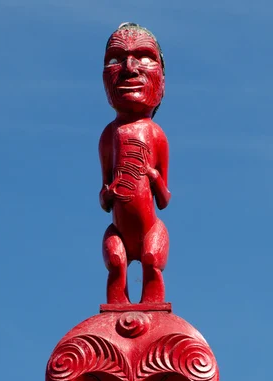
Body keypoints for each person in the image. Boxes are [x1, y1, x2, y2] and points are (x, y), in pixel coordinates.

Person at [99, 23, 171, 304]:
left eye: (144, 57)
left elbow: (164, 199)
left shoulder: (155, 135)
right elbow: (103, 198)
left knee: (151, 260)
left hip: (150, 230)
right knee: (116, 262)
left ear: (162, 80)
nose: (130, 68)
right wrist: (109, 192)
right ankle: (118, 308)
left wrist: (153, 177)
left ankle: (151, 306)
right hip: (118, 230)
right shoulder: (109, 135)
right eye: (116, 59)